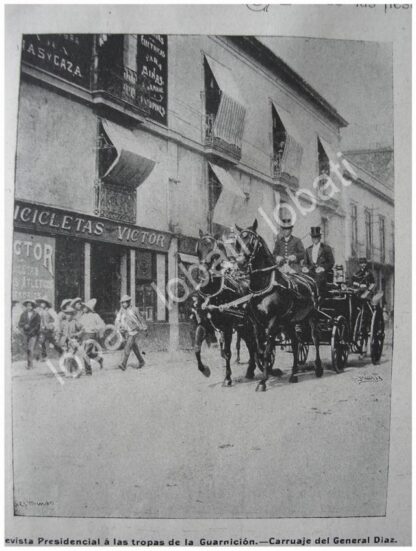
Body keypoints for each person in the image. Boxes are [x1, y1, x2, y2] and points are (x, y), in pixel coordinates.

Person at [115, 295, 148, 371]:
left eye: (125, 302)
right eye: (122, 303)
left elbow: (141, 319)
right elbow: (118, 319)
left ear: (129, 302)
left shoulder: (135, 309)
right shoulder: (122, 310)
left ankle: (123, 364)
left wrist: (145, 329)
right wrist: (118, 325)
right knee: (134, 347)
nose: (123, 304)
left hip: (134, 331)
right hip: (126, 332)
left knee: (128, 346)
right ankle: (141, 361)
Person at [303, 226, 335, 299]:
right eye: (313, 237)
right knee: (303, 277)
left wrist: (323, 268)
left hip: (322, 273)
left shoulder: (326, 248)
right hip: (311, 271)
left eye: (317, 237)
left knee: (319, 276)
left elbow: (331, 262)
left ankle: (317, 296)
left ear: (320, 237)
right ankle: (305, 296)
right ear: (311, 238)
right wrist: (305, 268)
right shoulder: (308, 249)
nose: (315, 239)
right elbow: (305, 263)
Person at [79, 298, 105, 375]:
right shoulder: (82, 316)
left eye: (85, 307)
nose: (84, 308)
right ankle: (99, 359)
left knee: (85, 353)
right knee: (88, 353)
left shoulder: (95, 315)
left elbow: (102, 325)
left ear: (89, 308)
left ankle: (88, 371)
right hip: (84, 336)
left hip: (91, 336)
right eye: (83, 307)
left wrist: (95, 328)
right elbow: (79, 325)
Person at [60, 305, 84, 375]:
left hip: (72, 341)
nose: (68, 316)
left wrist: (76, 334)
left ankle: (70, 371)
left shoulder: (75, 322)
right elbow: (60, 332)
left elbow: (82, 329)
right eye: (67, 314)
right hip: (64, 342)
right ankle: (71, 370)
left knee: (70, 356)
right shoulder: (63, 323)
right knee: (67, 357)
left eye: (70, 314)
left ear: (72, 315)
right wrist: (59, 339)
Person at [18, 299, 41, 369]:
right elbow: (20, 323)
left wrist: (33, 330)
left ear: (33, 307)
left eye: (31, 306)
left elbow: (38, 325)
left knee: (31, 348)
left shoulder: (36, 315)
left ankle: (30, 365)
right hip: (26, 333)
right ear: (26, 306)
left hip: (33, 334)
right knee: (27, 349)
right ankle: (29, 362)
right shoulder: (23, 314)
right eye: (28, 306)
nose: (29, 307)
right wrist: (24, 325)